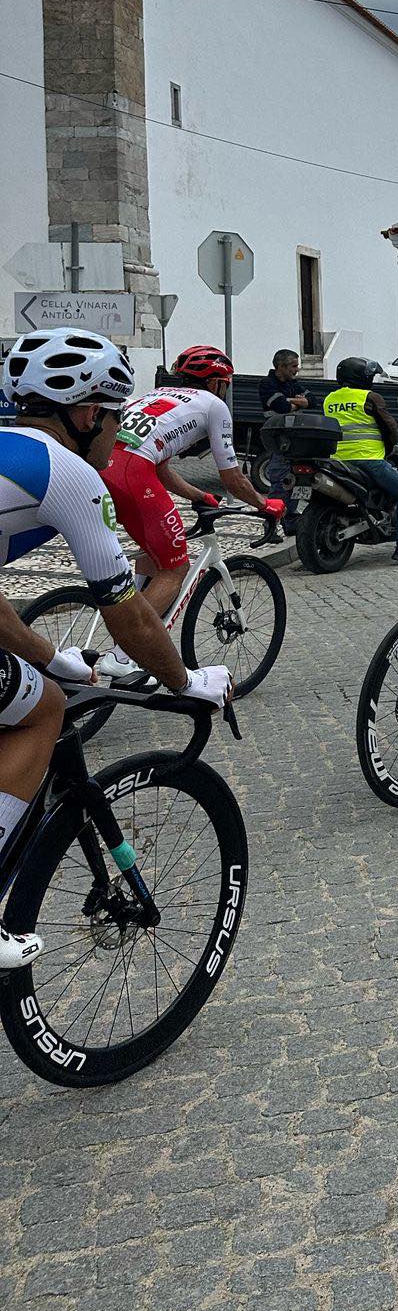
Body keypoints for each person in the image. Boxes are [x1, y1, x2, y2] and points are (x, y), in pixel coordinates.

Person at [0, 330, 232, 967]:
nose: (119, 434)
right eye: (116, 417)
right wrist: (185, 681)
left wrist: (54, 657)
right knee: (42, 710)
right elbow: (128, 619)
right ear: (84, 415)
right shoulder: (70, 473)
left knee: (30, 687)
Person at [104, 345, 286, 640]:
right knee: (175, 569)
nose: (224, 390)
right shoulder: (213, 405)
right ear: (215, 382)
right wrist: (264, 504)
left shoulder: (155, 394)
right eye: (225, 384)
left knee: (153, 553)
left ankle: (136, 617)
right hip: (132, 473)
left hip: (100, 466)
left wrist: (198, 495)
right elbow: (232, 478)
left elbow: (160, 468)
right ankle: (126, 652)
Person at [323, 357, 398, 565]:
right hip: (368, 459)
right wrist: (390, 447)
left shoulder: (330, 399)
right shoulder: (370, 397)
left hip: (338, 461)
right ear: (361, 378)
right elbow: (390, 428)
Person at [258, 348, 316, 525]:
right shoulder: (267, 384)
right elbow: (281, 406)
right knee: (279, 482)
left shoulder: (294, 383)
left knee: (298, 481)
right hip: (279, 439)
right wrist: (297, 402)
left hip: (297, 440)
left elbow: (313, 401)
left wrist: (290, 400)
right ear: (280, 366)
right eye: (293, 366)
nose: (296, 369)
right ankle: (271, 524)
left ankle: (290, 521)